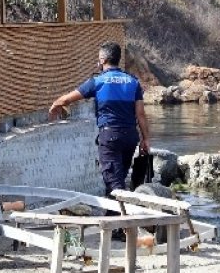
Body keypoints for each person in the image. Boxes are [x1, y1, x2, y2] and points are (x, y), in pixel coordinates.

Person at [49, 42, 151, 200]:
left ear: (103, 60)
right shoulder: (133, 82)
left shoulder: (98, 82)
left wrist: (56, 104)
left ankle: (124, 219)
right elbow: (141, 114)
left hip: (110, 136)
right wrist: (146, 139)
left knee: (114, 184)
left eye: (98, 59)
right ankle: (115, 221)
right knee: (119, 179)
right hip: (130, 137)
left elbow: (68, 99)